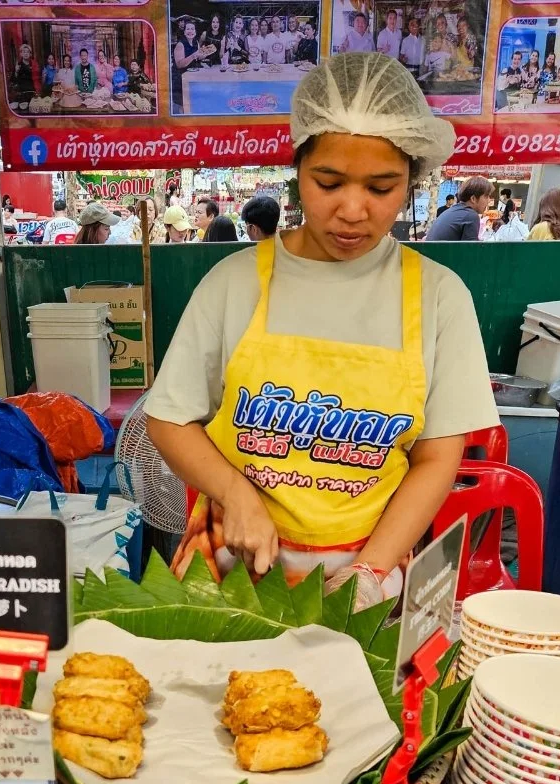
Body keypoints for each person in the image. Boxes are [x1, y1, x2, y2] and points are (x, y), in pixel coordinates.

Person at [145, 51, 498, 605]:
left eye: (381, 188)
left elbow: (436, 457)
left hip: (366, 568)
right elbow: (168, 419)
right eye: (328, 182)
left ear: (413, 180)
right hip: (230, 563)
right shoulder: (236, 281)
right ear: (298, 170)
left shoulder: (438, 296)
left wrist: (370, 572)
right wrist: (236, 494)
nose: (352, 210)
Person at [424, 177, 489, 240]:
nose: (489, 200)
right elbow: (470, 249)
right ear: (473, 199)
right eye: (486, 196)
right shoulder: (470, 215)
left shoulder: (454, 210)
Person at [173, 20, 214, 108]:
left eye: (192, 29)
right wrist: (193, 56)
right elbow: (179, 64)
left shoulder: (195, 42)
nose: (190, 31)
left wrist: (204, 54)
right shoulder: (180, 44)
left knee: (192, 104)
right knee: (184, 106)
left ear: (195, 32)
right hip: (181, 79)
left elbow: (198, 58)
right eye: (188, 29)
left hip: (191, 78)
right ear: (184, 32)